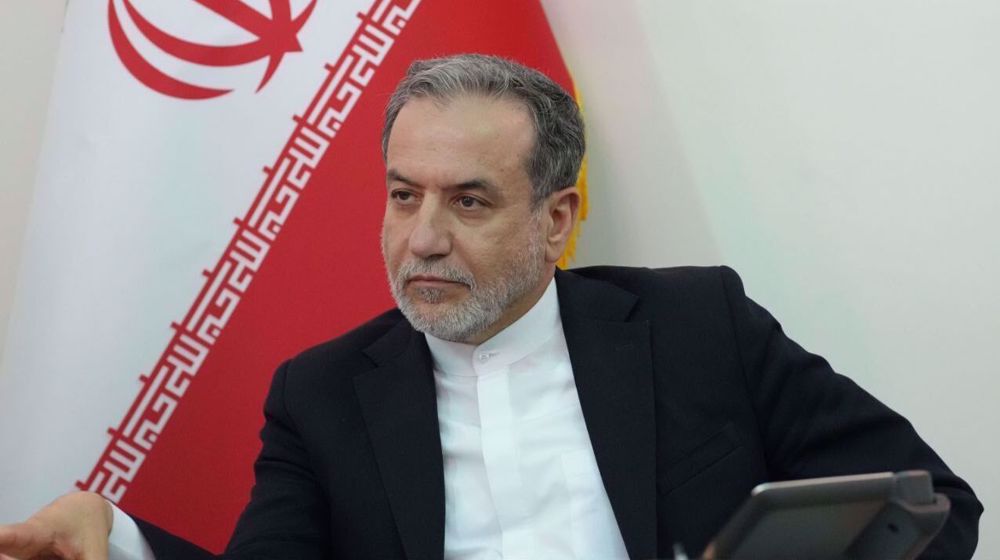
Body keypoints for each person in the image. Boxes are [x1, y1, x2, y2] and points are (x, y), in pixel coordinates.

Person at [0, 54, 982, 560]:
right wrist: (117, 532)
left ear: (556, 219)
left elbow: (932, 503)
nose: (420, 236)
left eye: (468, 200)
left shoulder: (696, 328)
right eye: (401, 193)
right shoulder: (323, 393)